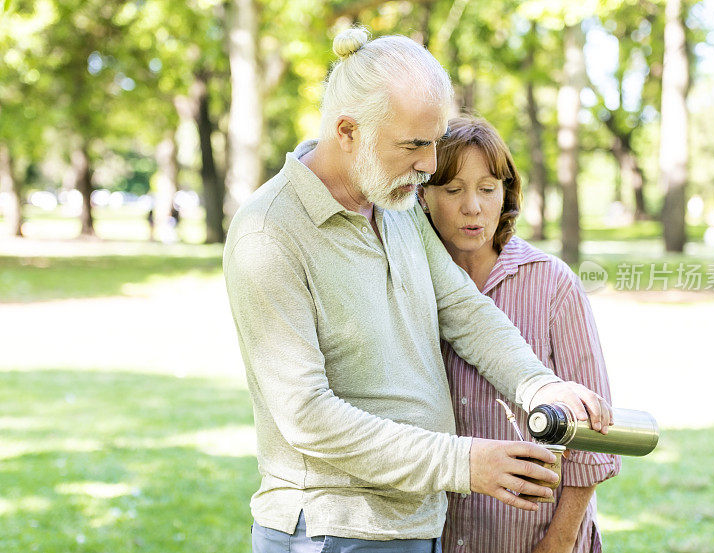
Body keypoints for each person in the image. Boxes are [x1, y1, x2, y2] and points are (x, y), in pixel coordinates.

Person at [223, 27, 612, 553]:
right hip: (329, 533)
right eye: (414, 145)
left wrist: (538, 385)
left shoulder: (396, 203)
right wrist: (464, 462)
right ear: (348, 131)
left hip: (417, 525)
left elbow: (464, 311)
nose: (430, 164)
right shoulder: (268, 234)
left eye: (434, 141)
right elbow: (307, 416)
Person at [417, 115, 621, 553]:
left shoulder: (553, 284)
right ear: (423, 196)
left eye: (487, 189)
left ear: (506, 194)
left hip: (535, 536)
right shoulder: (412, 287)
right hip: (438, 535)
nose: (472, 206)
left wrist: (560, 540)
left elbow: (592, 437)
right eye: (453, 190)